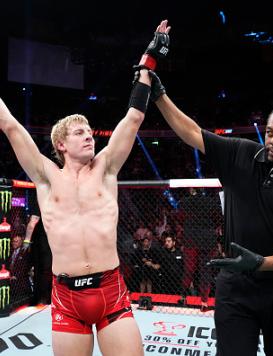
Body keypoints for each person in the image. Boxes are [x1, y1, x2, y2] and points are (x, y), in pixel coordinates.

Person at [0, 20, 170, 356]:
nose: (89, 134)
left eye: (90, 130)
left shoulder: (106, 168)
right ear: (60, 144)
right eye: (80, 132)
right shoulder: (46, 176)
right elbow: (8, 125)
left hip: (111, 291)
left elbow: (133, 118)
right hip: (66, 299)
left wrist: (148, 63)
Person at [147, 19, 273, 356]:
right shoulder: (243, 153)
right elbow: (192, 132)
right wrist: (160, 95)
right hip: (236, 286)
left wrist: (261, 263)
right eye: (271, 131)